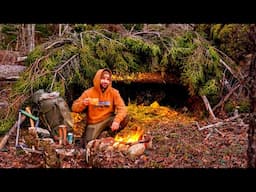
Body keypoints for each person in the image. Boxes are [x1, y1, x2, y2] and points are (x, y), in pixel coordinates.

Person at [72, 68, 129, 147]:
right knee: (88, 143)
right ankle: (99, 136)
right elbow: (74, 107)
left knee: (125, 117)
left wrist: (117, 121)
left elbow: (122, 108)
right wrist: (83, 103)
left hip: (108, 119)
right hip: (94, 122)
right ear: (97, 79)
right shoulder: (88, 92)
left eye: (108, 79)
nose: (105, 81)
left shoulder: (114, 92)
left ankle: (109, 135)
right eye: (103, 78)